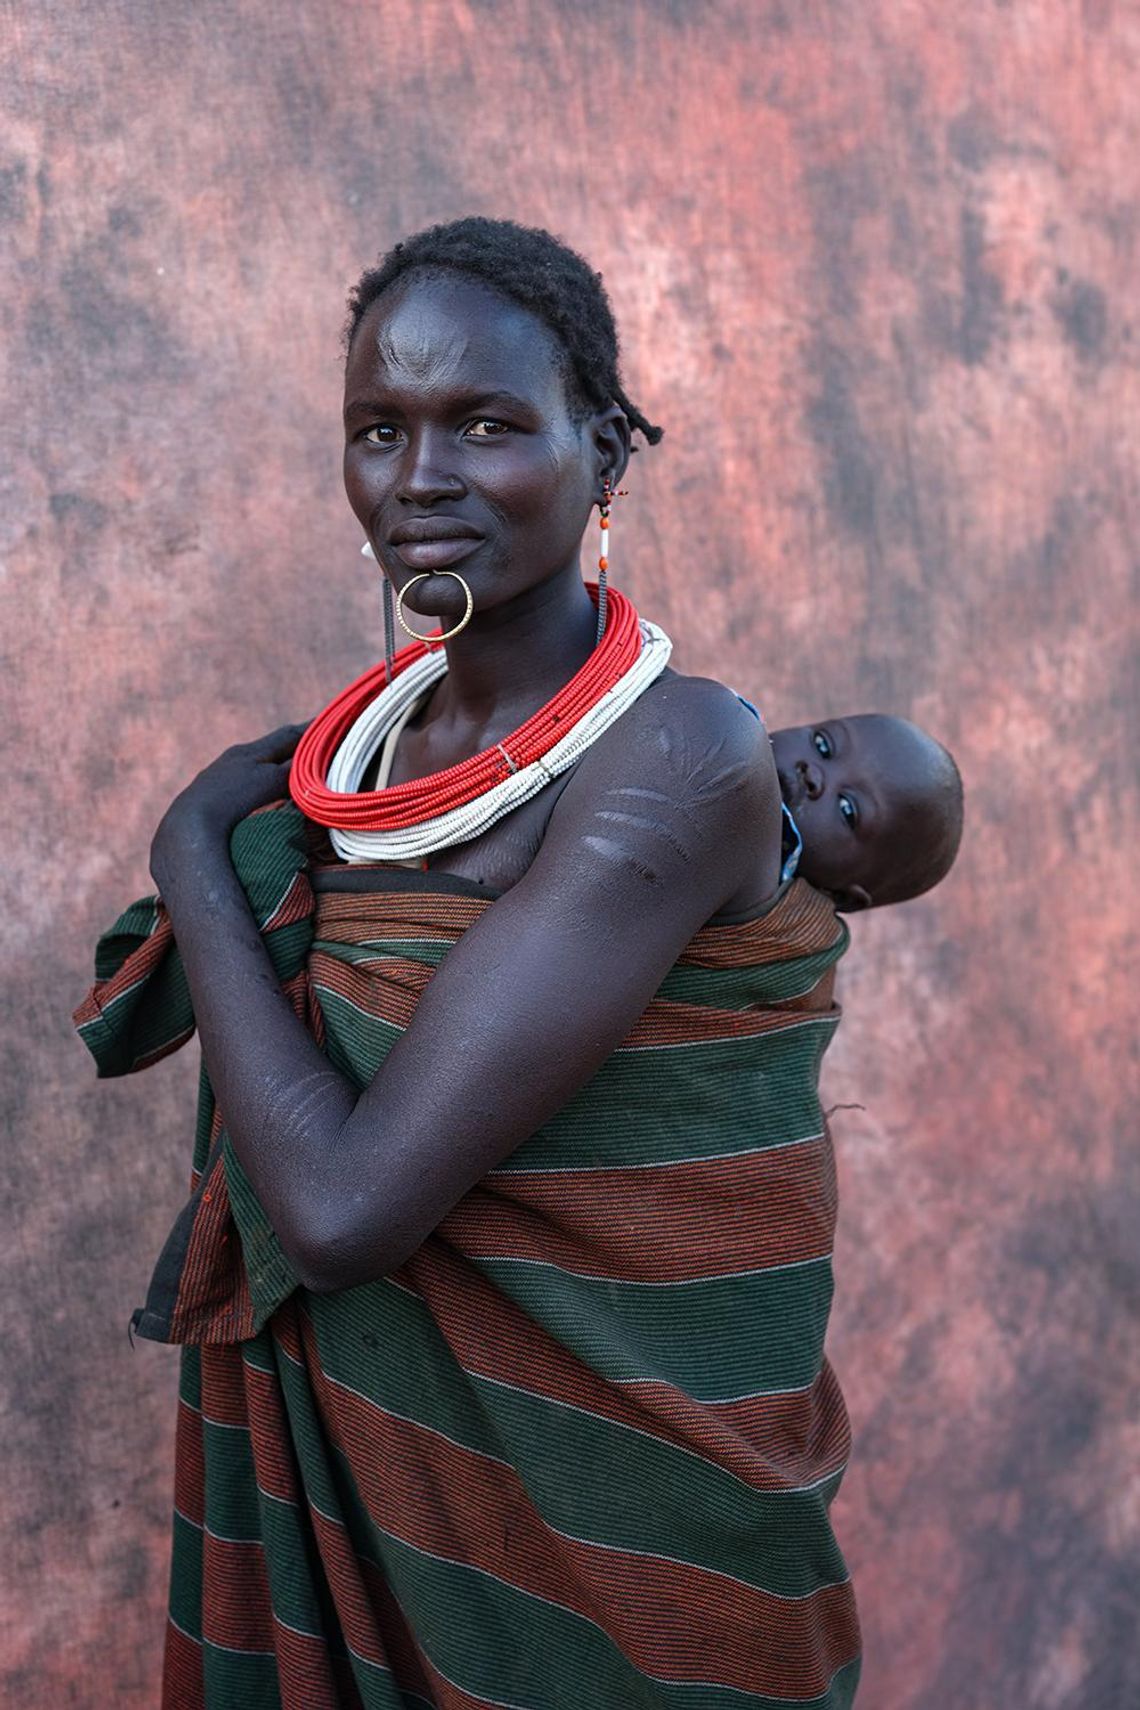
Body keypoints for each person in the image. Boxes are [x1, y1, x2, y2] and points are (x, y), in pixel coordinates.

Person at [76, 218, 863, 1709]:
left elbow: (340, 1209)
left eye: (487, 423)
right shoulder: (359, 756)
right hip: (375, 1519)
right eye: (380, 430)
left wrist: (191, 851)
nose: (419, 478)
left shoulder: (681, 755)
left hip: (630, 1552)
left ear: (605, 451)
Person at [767, 713, 964, 911]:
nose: (811, 774)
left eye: (847, 809)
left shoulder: (762, 935)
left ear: (837, 896)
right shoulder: (737, 728)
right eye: (823, 745)